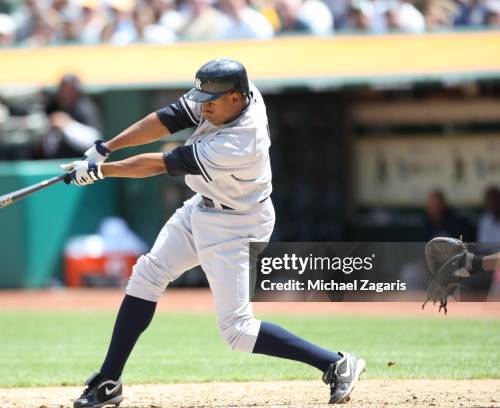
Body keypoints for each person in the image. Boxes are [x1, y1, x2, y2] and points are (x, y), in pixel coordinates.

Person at [60, 58, 366, 408]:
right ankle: (108, 381)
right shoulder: (231, 95)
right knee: (147, 275)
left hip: (238, 225)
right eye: (202, 98)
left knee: (236, 331)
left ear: (236, 99)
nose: (204, 106)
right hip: (203, 206)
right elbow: (168, 118)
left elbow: (162, 163)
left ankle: (336, 363)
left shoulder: (240, 142)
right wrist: (105, 147)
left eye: (212, 101)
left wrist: (101, 172)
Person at [42, 74, 103, 158]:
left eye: (71, 89)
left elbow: (94, 140)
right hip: (53, 160)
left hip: (80, 162)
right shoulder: (52, 106)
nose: (66, 93)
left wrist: (67, 124)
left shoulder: (85, 107)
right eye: (64, 89)